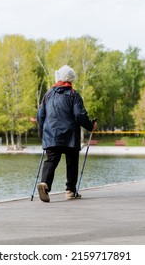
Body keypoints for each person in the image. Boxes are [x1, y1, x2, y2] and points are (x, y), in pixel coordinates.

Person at [36, 65, 97, 203]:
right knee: (72, 162)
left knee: (51, 160)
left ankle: (44, 184)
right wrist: (91, 125)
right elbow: (79, 114)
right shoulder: (74, 94)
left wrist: (45, 127)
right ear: (71, 79)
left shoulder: (48, 94)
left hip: (51, 134)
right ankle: (70, 191)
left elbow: (40, 115)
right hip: (70, 135)